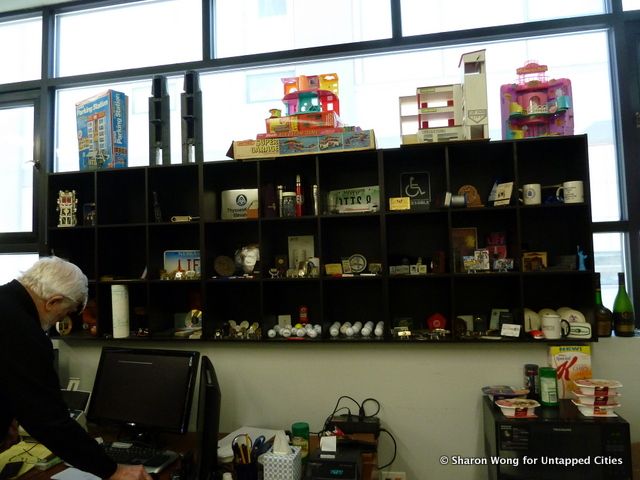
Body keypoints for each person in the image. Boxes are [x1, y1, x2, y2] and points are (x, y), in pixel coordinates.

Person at [0, 256, 152, 480]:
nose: (62, 319)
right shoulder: (23, 332)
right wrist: (113, 471)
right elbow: (49, 420)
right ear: (52, 302)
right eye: (65, 312)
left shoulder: (5, 301)